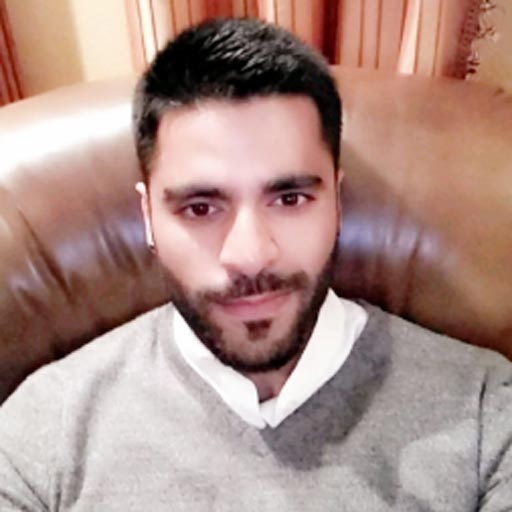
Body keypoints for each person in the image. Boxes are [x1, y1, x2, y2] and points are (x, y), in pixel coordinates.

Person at [0, 17, 511, 511]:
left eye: (289, 199)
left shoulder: (487, 414)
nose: (249, 256)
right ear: (148, 218)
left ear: (336, 201)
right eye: (200, 208)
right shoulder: (45, 430)